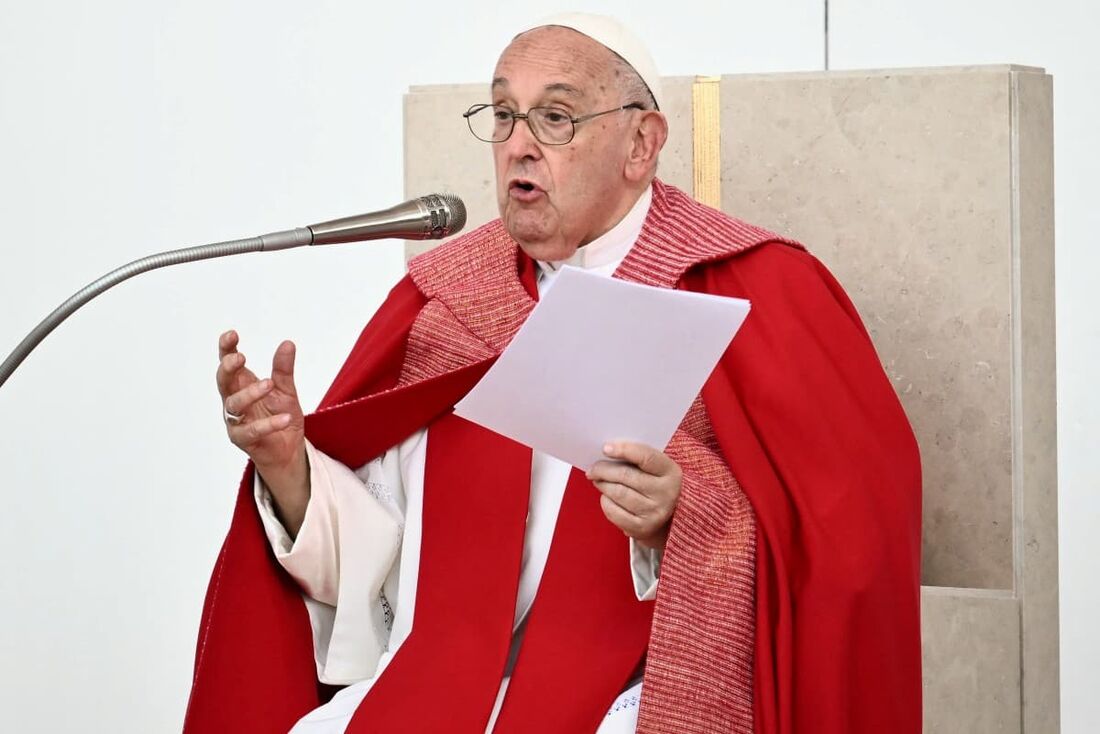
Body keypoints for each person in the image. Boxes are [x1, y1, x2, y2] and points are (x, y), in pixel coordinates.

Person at [184, 13, 922, 734]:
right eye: (503, 116)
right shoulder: (441, 305)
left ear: (641, 143)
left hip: (628, 699)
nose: (519, 147)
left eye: (556, 118)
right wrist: (290, 470)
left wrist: (685, 515)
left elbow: (845, 555)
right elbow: (380, 565)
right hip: (431, 694)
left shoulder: (751, 291)